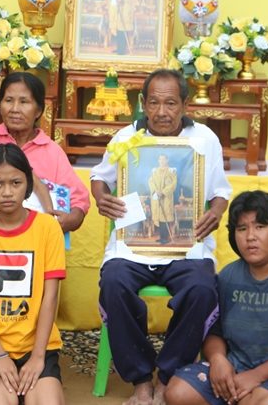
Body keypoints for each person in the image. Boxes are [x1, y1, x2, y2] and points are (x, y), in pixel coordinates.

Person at [91, 69, 232, 405]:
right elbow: (100, 177)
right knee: (114, 282)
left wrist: (216, 212)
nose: (162, 112)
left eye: (170, 103)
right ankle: (141, 378)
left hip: (187, 247)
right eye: (153, 103)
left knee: (202, 289)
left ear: (185, 104)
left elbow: (220, 192)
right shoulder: (126, 136)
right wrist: (101, 197)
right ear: (142, 103)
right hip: (132, 247)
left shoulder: (205, 139)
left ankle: (168, 375)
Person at [165, 190, 268, 405]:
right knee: (178, 393)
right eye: (242, 229)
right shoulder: (229, 275)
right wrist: (218, 359)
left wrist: (256, 376)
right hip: (237, 368)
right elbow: (214, 331)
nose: (250, 236)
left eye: (260, 227)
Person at [0, 143, 66, 405]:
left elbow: (50, 297)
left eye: (16, 183)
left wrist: (38, 357)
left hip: (37, 345)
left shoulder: (48, 227)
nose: (7, 192)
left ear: (28, 183)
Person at [0, 72, 89, 234]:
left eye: (24, 102)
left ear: (38, 110)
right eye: (9, 100)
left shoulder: (51, 151)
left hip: (35, 239)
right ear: (0, 104)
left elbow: (78, 199)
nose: (15, 109)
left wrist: (72, 218)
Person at [149, 154, 177, 244]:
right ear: (158, 160)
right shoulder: (154, 171)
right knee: (159, 217)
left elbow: (173, 184)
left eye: (163, 159)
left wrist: (163, 192)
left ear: (167, 160)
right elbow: (151, 182)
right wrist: (155, 191)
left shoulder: (171, 171)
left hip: (166, 198)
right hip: (157, 197)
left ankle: (165, 238)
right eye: (160, 159)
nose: (161, 161)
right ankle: (162, 237)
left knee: (165, 217)